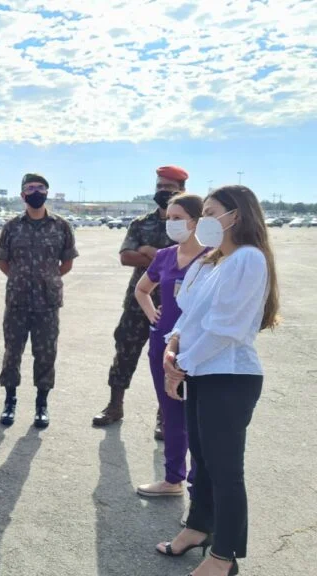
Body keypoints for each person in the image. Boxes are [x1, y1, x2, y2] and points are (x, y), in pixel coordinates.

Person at [157, 185, 279, 576]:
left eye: (211, 212)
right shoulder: (209, 263)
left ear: (235, 215)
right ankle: (197, 528)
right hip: (201, 371)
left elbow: (226, 329)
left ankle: (223, 556)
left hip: (229, 376)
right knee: (204, 462)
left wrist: (183, 364)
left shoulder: (248, 259)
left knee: (226, 470)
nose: (203, 220)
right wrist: (171, 348)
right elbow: (188, 316)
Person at [92, 165, 188, 438]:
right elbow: (125, 257)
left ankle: (165, 415)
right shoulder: (140, 223)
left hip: (175, 306)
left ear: (181, 190)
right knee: (125, 352)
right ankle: (115, 405)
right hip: (138, 300)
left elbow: (190, 258)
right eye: (159, 186)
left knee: (169, 359)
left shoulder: (188, 226)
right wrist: (165, 259)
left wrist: (150, 253)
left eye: (168, 187)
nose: (162, 191)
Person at [134, 194, 208, 498]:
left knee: (200, 420)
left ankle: (199, 493)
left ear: (196, 221)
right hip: (163, 344)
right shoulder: (164, 256)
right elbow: (142, 289)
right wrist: (153, 313)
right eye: (169, 218)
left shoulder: (214, 257)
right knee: (171, 411)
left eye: (178, 218)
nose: (172, 223)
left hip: (199, 347)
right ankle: (173, 479)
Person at [0, 173, 78, 428]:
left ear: (47, 192)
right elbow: (3, 262)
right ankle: (10, 402)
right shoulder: (11, 227)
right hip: (17, 302)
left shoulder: (61, 226)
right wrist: (22, 279)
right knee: (12, 353)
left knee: (45, 355)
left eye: (40, 187)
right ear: (22, 195)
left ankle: (42, 405)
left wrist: (46, 279)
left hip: (47, 303)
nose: (36, 191)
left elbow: (66, 263)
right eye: (30, 188)